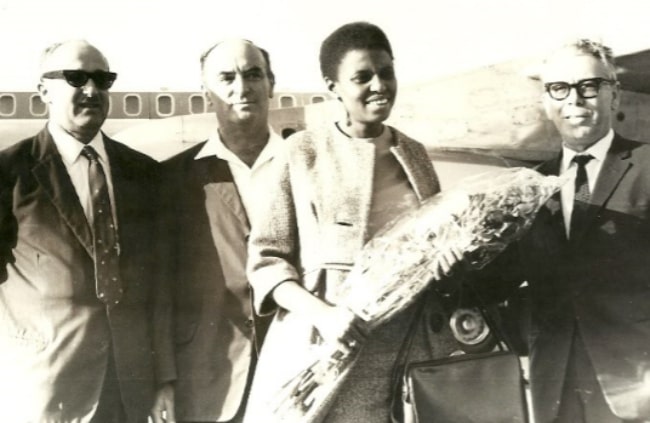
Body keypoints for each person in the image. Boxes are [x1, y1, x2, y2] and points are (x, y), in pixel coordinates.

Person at [243, 22, 460, 422]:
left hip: (407, 352)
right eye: (362, 77)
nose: (379, 85)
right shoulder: (302, 152)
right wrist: (325, 316)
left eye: (387, 72)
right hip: (324, 350)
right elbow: (267, 264)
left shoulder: (414, 154)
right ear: (333, 87)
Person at [0, 40, 175, 423]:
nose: (92, 90)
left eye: (102, 79)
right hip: (44, 389)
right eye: (76, 78)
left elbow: (160, 288)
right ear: (43, 90)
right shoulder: (9, 173)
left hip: (131, 391)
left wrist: (164, 380)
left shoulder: (144, 173)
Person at [483, 39, 650, 423]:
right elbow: (496, 283)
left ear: (614, 94)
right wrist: (461, 252)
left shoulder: (646, 165)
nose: (574, 99)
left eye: (589, 86)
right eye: (559, 88)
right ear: (546, 101)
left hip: (636, 388)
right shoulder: (529, 187)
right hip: (554, 388)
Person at [161, 38, 278, 423]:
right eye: (226, 77)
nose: (241, 88)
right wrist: (162, 379)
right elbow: (157, 290)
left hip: (299, 371)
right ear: (206, 94)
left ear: (270, 83)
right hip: (209, 381)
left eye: (253, 74)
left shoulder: (309, 164)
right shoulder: (173, 179)